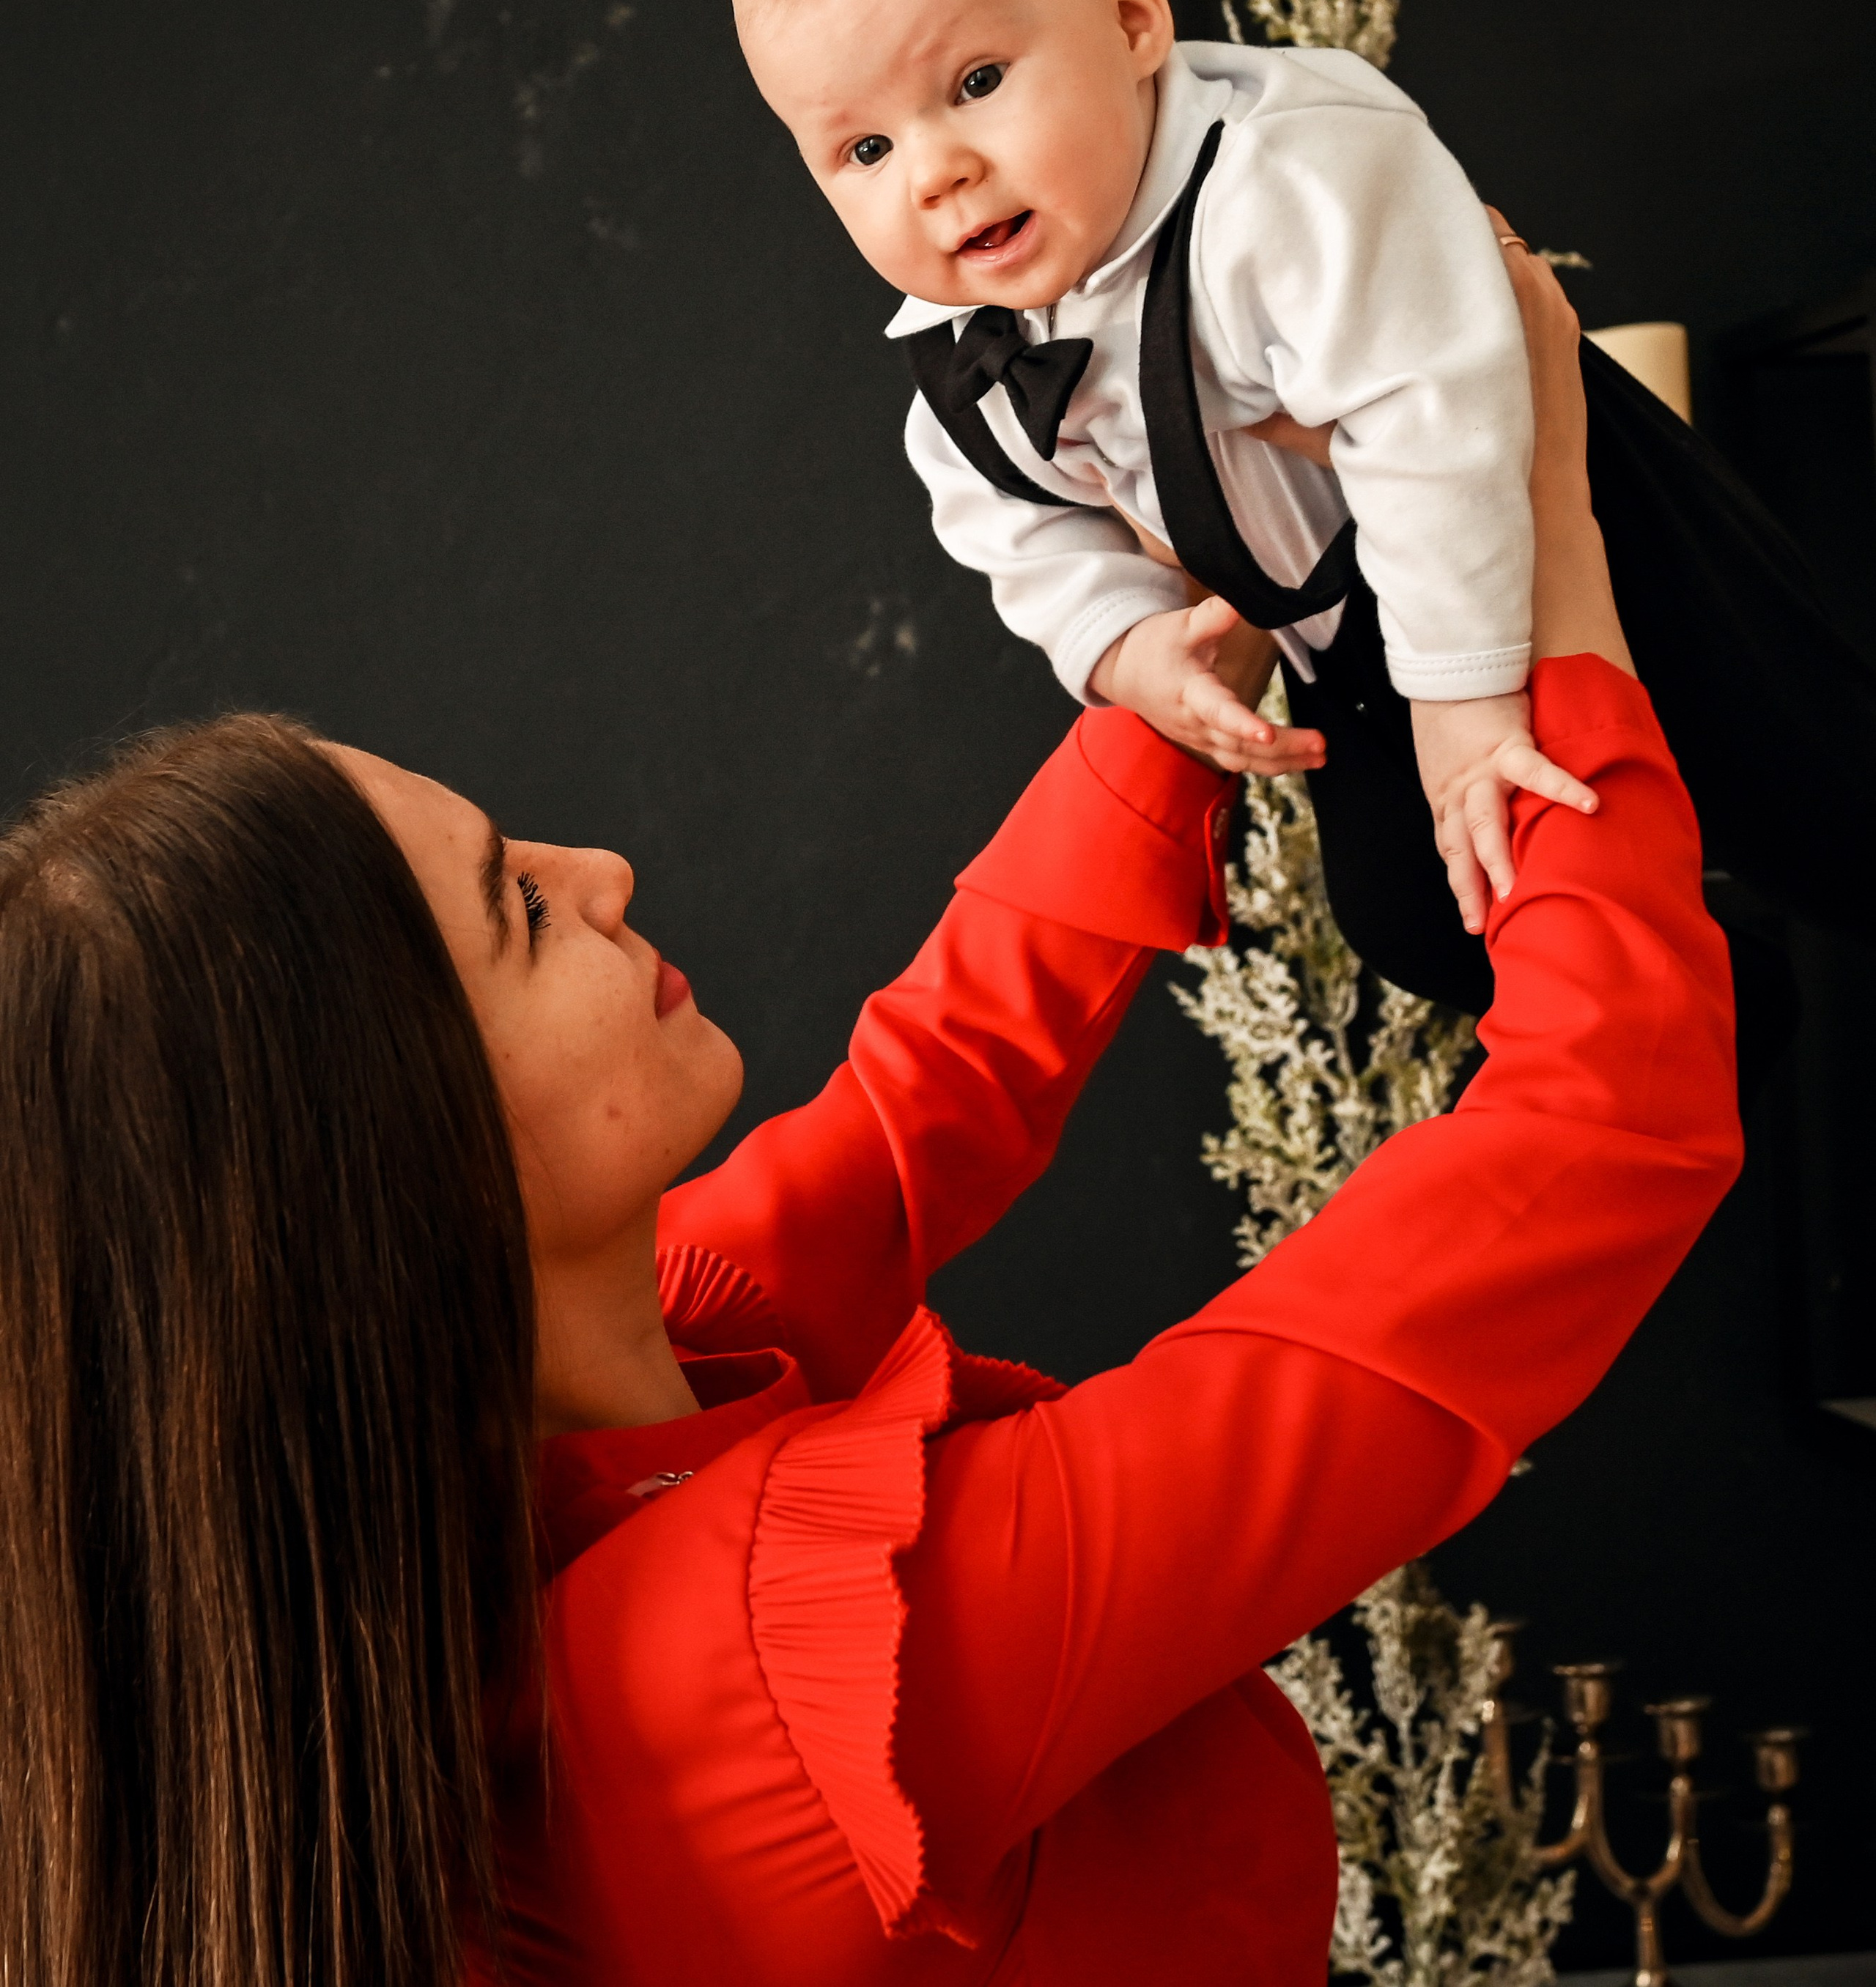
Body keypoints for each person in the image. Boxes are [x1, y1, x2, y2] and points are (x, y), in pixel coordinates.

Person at [0, 245, 1739, 1987]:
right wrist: (1531, 537)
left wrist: (1175, 661)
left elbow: (945, 1076)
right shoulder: (784, 1669)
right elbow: (1592, 1141)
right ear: (391, 1166)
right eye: (517, 910)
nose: (600, 871)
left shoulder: (620, 1360)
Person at [731, 0, 1876, 1010]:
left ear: (1130, 22)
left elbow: (1430, 422)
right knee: (1417, 914)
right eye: (865, 149)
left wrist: (1467, 702)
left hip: (1560, 519)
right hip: (1347, 642)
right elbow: (1011, 525)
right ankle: (1729, 1013)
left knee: (1805, 774)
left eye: (976, 83)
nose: (936, 174)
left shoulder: (1284, 182)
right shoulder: (967, 356)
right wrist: (1125, 645)